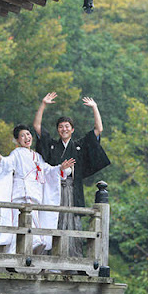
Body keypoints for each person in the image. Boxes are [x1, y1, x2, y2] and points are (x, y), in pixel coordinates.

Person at [33, 92, 110, 257]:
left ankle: (74, 257)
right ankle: (51, 257)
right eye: (61, 127)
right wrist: (43, 104)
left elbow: (98, 129)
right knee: (54, 220)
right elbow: (37, 128)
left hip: (73, 189)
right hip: (54, 190)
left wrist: (95, 107)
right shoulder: (53, 146)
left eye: (67, 126)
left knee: (73, 222)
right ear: (58, 130)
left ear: (72, 129)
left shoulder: (79, 146)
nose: (64, 129)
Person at [0, 124, 75, 255]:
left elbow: (47, 170)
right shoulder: (16, 153)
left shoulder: (37, 156)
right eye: (22, 136)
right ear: (17, 140)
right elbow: (8, 162)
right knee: (19, 224)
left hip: (35, 195)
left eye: (28, 134)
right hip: (21, 195)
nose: (26, 138)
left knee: (35, 222)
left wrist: (60, 168)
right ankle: (14, 252)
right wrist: (0, 159)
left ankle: (33, 245)